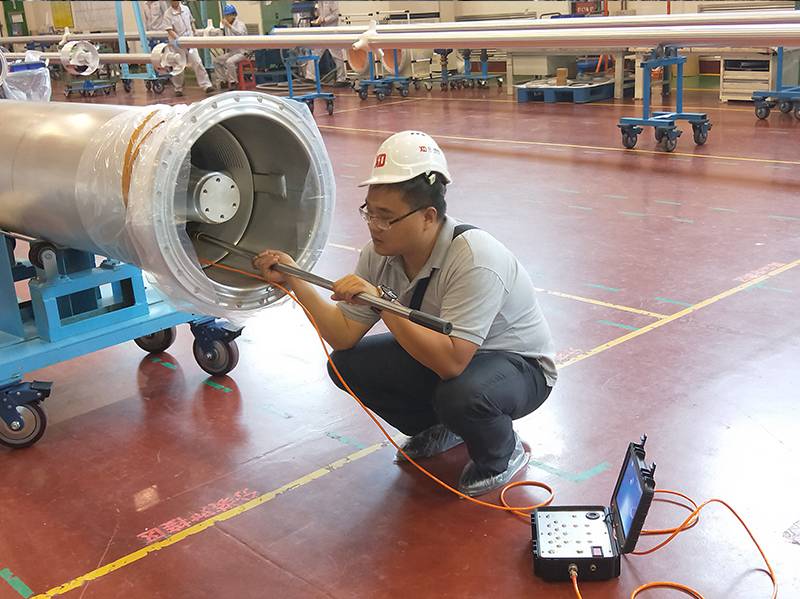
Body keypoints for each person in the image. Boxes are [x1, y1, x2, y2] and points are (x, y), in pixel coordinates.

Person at [253, 131, 557, 497]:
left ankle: (502, 453)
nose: (373, 225)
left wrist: (383, 303)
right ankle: (439, 427)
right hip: (451, 355)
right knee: (345, 366)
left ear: (428, 216)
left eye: (386, 217)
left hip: (517, 366)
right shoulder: (379, 254)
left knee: (461, 395)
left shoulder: (475, 258)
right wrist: (295, 279)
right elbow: (343, 334)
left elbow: (452, 363)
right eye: (369, 212)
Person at [163, 0, 213, 96]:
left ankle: (206, 85)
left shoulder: (186, 9)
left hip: (190, 41)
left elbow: (191, 21)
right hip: (177, 44)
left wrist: (194, 32)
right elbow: (169, 30)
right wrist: (179, 40)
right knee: (178, 66)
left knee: (197, 62)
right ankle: (178, 88)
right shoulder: (167, 14)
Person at [310, 1, 347, 85]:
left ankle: (341, 79)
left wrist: (324, 20)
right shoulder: (320, 2)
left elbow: (335, 15)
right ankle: (311, 77)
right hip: (323, 30)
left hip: (332, 31)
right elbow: (321, 13)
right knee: (316, 52)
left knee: (336, 55)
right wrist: (319, 18)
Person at [212, 4, 249, 89]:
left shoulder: (240, 24)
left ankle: (233, 82)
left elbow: (240, 34)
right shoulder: (227, 26)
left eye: (229, 15)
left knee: (229, 62)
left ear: (234, 15)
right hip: (233, 52)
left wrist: (229, 26)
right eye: (226, 15)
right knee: (216, 61)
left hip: (242, 52)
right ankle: (223, 80)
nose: (227, 17)